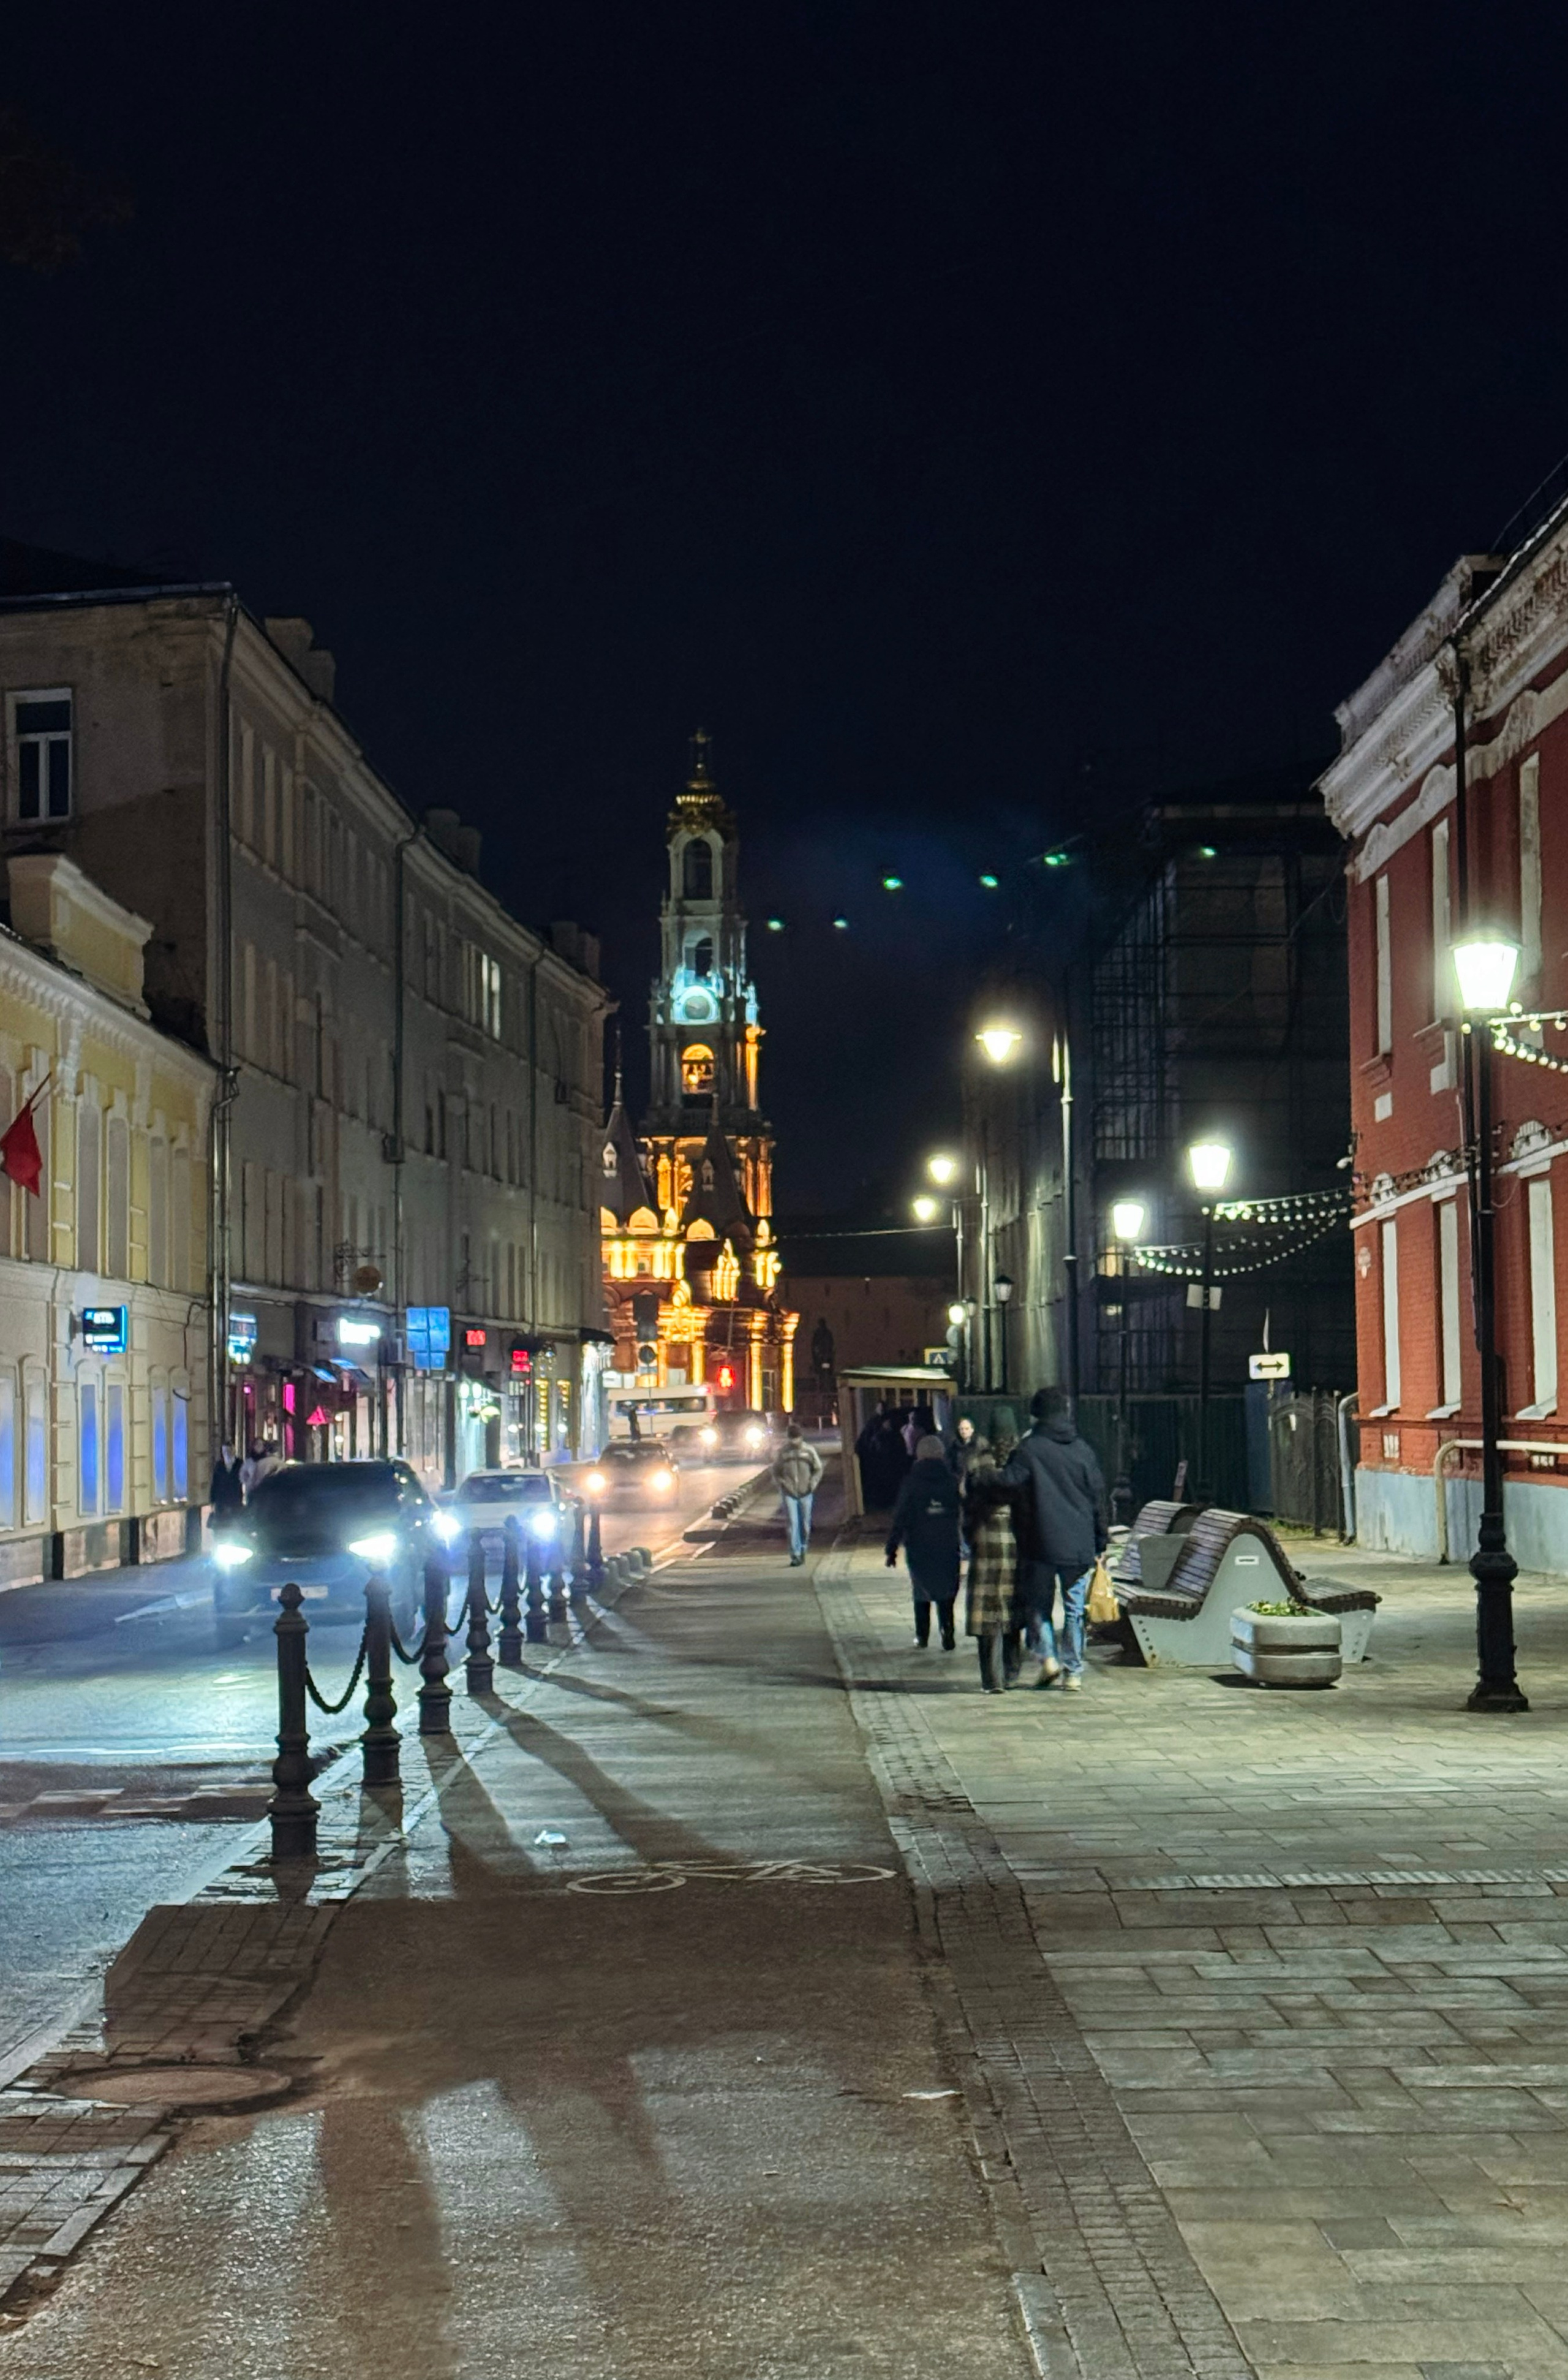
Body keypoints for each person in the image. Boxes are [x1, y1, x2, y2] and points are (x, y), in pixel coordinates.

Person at [1003, 1388, 1108, 1693]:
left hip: (1040, 1543)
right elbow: (1098, 1499)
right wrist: (1100, 1540)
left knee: (1038, 1606)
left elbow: (1010, 1484)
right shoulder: (1083, 1450)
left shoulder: (1029, 1450)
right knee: (1075, 1609)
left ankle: (1048, 1657)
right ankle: (1073, 1672)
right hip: (1078, 1544)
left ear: (1037, 1415)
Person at [885, 1434, 962, 1649]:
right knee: (946, 1588)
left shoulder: (912, 1482)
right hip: (947, 1542)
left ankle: (923, 1635)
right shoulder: (951, 1480)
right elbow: (960, 1511)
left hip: (919, 1543)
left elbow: (900, 1516)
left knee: (921, 1589)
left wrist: (892, 1548)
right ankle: (948, 1631)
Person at [963, 1448, 1022, 1692]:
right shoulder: (1015, 1479)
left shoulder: (978, 1489)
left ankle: (990, 1680)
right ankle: (1010, 1672)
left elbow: (967, 1529)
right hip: (1012, 1553)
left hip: (984, 1557)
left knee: (985, 1618)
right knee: (1010, 1613)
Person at [772, 1423, 824, 1565]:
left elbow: (818, 1469)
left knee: (805, 1525)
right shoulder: (783, 1452)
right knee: (792, 1524)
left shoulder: (809, 1451)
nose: (794, 1441)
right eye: (791, 1438)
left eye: (796, 1438)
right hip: (789, 1493)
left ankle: (803, 1549)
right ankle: (795, 1554)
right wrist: (782, 1484)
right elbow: (776, 1471)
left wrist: (813, 1483)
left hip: (806, 1492)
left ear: (801, 1437)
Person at [209, 1441, 244, 1528]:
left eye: (229, 1451)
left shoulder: (240, 1464)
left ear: (234, 1451)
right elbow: (215, 1483)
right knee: (221, 1526)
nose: (227, 1453)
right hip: (221, 1502)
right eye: (225, 1451)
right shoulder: (219, 1466)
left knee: (235, 1525)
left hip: (235, 1502)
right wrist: (212, 1500)